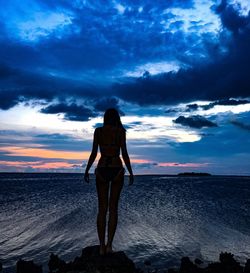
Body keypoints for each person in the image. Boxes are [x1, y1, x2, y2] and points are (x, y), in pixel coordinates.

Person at [84, 108, 134, 255]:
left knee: (102, 209)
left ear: (105, 118)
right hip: (117, 169)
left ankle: (101, 247)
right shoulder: (120, 132)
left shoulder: (98, 132)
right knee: (113, 209)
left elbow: (94, 152)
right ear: (117, 118)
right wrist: (130, 172)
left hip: (102, 169)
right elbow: (124, 153)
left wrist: (87, 170)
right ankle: (109, 246)